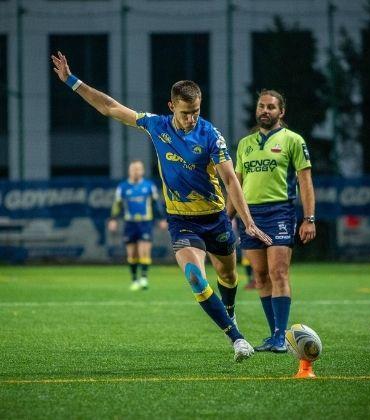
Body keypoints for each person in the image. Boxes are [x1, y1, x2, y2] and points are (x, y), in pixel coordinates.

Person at [51, 51, 271, 362]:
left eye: (195, 111)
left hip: (215, 219)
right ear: (171, 107)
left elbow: (231, 181)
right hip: (182, 220)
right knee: (195, 276)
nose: (191, 118)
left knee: (230, 278)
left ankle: (229, 312)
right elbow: (109, 107)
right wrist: (71, 81)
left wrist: (247, 221)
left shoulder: (211, 136)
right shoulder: (157, 126)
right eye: (185, 113)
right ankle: (236, 338)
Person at [229, 89, 315, 361]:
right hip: (250, 216)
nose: (264, 111)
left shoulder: (293, 140)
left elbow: (305, 182)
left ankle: (280, 337)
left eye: (270, 107)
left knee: (278, 273)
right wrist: (226, 217)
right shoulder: (245, 144)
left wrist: (309, 218)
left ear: (281, 112)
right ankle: (274, 334)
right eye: (261, 106)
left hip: (280, 211)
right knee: (261, 276)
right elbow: (236, 185)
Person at [108, 160, 167, 291]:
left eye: (138, 168)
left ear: (142, 171)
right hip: (130, 223)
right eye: (133, 169)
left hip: (145, 222)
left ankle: (144, 278)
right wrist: (113, 219)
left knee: (144, 250)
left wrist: (162, 219)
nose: (136, 171)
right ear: (129, 171)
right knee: (132, 254)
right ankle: (134, 280)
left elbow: (156, 204)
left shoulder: (149, 186)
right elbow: (117, 205)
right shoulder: (122, 187)